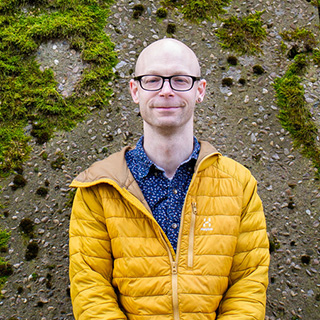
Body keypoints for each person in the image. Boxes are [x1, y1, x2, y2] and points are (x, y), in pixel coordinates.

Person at [69, 38, 270, 320]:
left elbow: (248, 283)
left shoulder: (239, 184)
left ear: (199, 90)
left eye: (179, 80)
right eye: (152, 80)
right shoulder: (99, 188)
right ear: (134, 90)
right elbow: (90, 289)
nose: (165, 91)